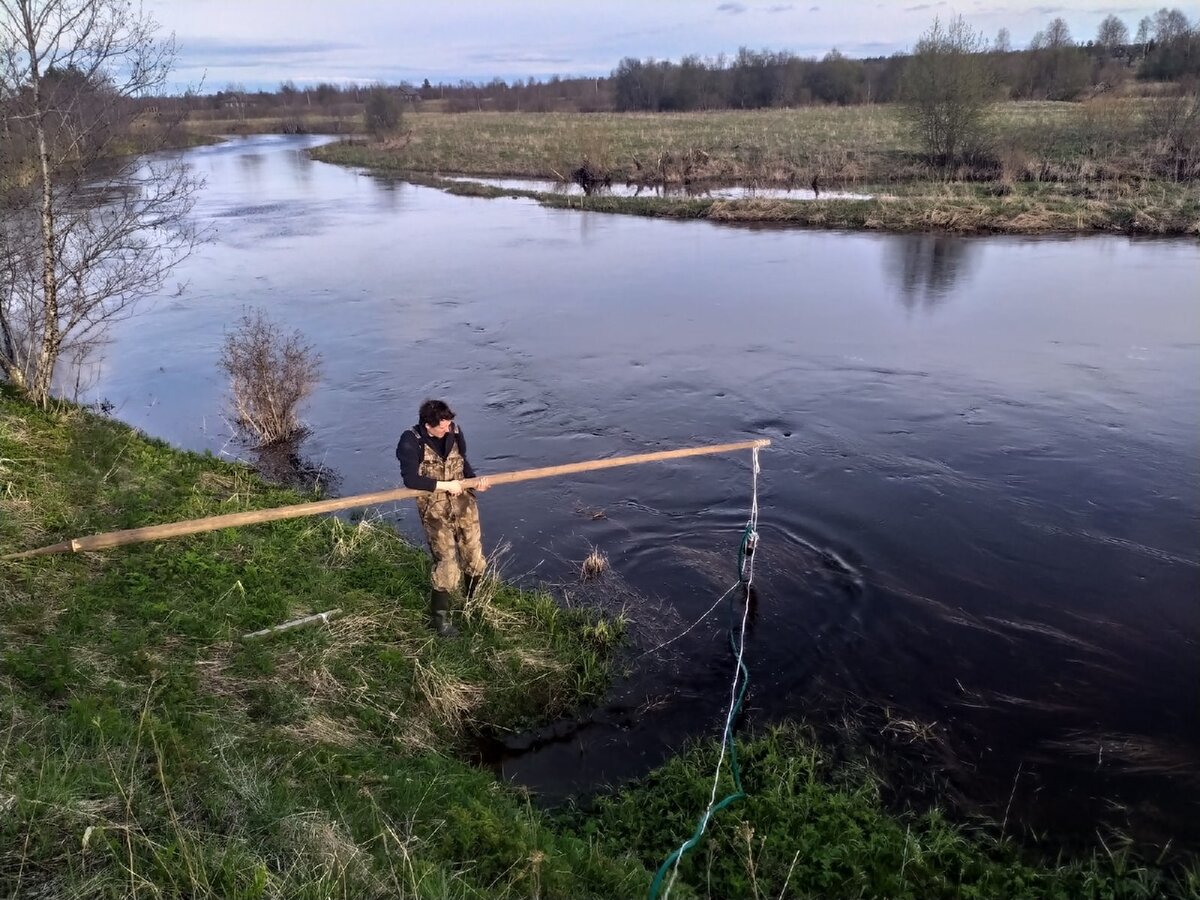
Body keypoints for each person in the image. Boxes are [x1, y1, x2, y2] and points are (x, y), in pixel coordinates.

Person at [396, 399, 491, 637]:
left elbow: (463, 463)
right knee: (447, 564)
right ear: (428, 425)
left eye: (449, 424)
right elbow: (411, 480)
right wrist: (445, 485)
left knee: (474, 557)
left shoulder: (455, 431)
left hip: (465, 505)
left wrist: (475, 481)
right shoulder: (410, 440)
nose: (448, 429)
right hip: (435, 511)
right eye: (442, 426)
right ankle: (441, 622)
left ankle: (472, 603)